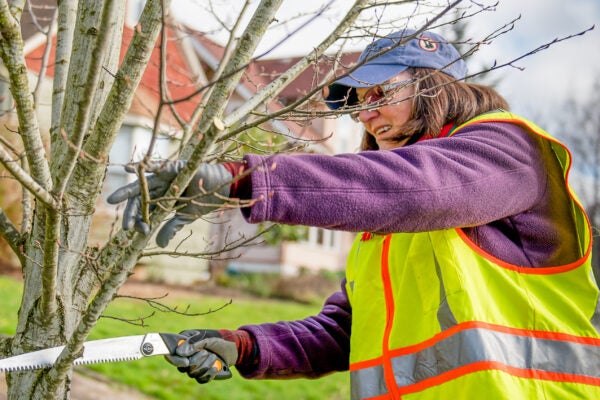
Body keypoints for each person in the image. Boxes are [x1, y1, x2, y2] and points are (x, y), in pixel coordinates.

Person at [107, 29, 600, 399]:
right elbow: (345, 330)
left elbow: (417, 188)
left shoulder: (507, 151)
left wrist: (245, 180)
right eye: (359, 103)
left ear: (436, 88)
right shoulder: (386, 226)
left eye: (379, 94)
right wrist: (242, 345)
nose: (364, 114)